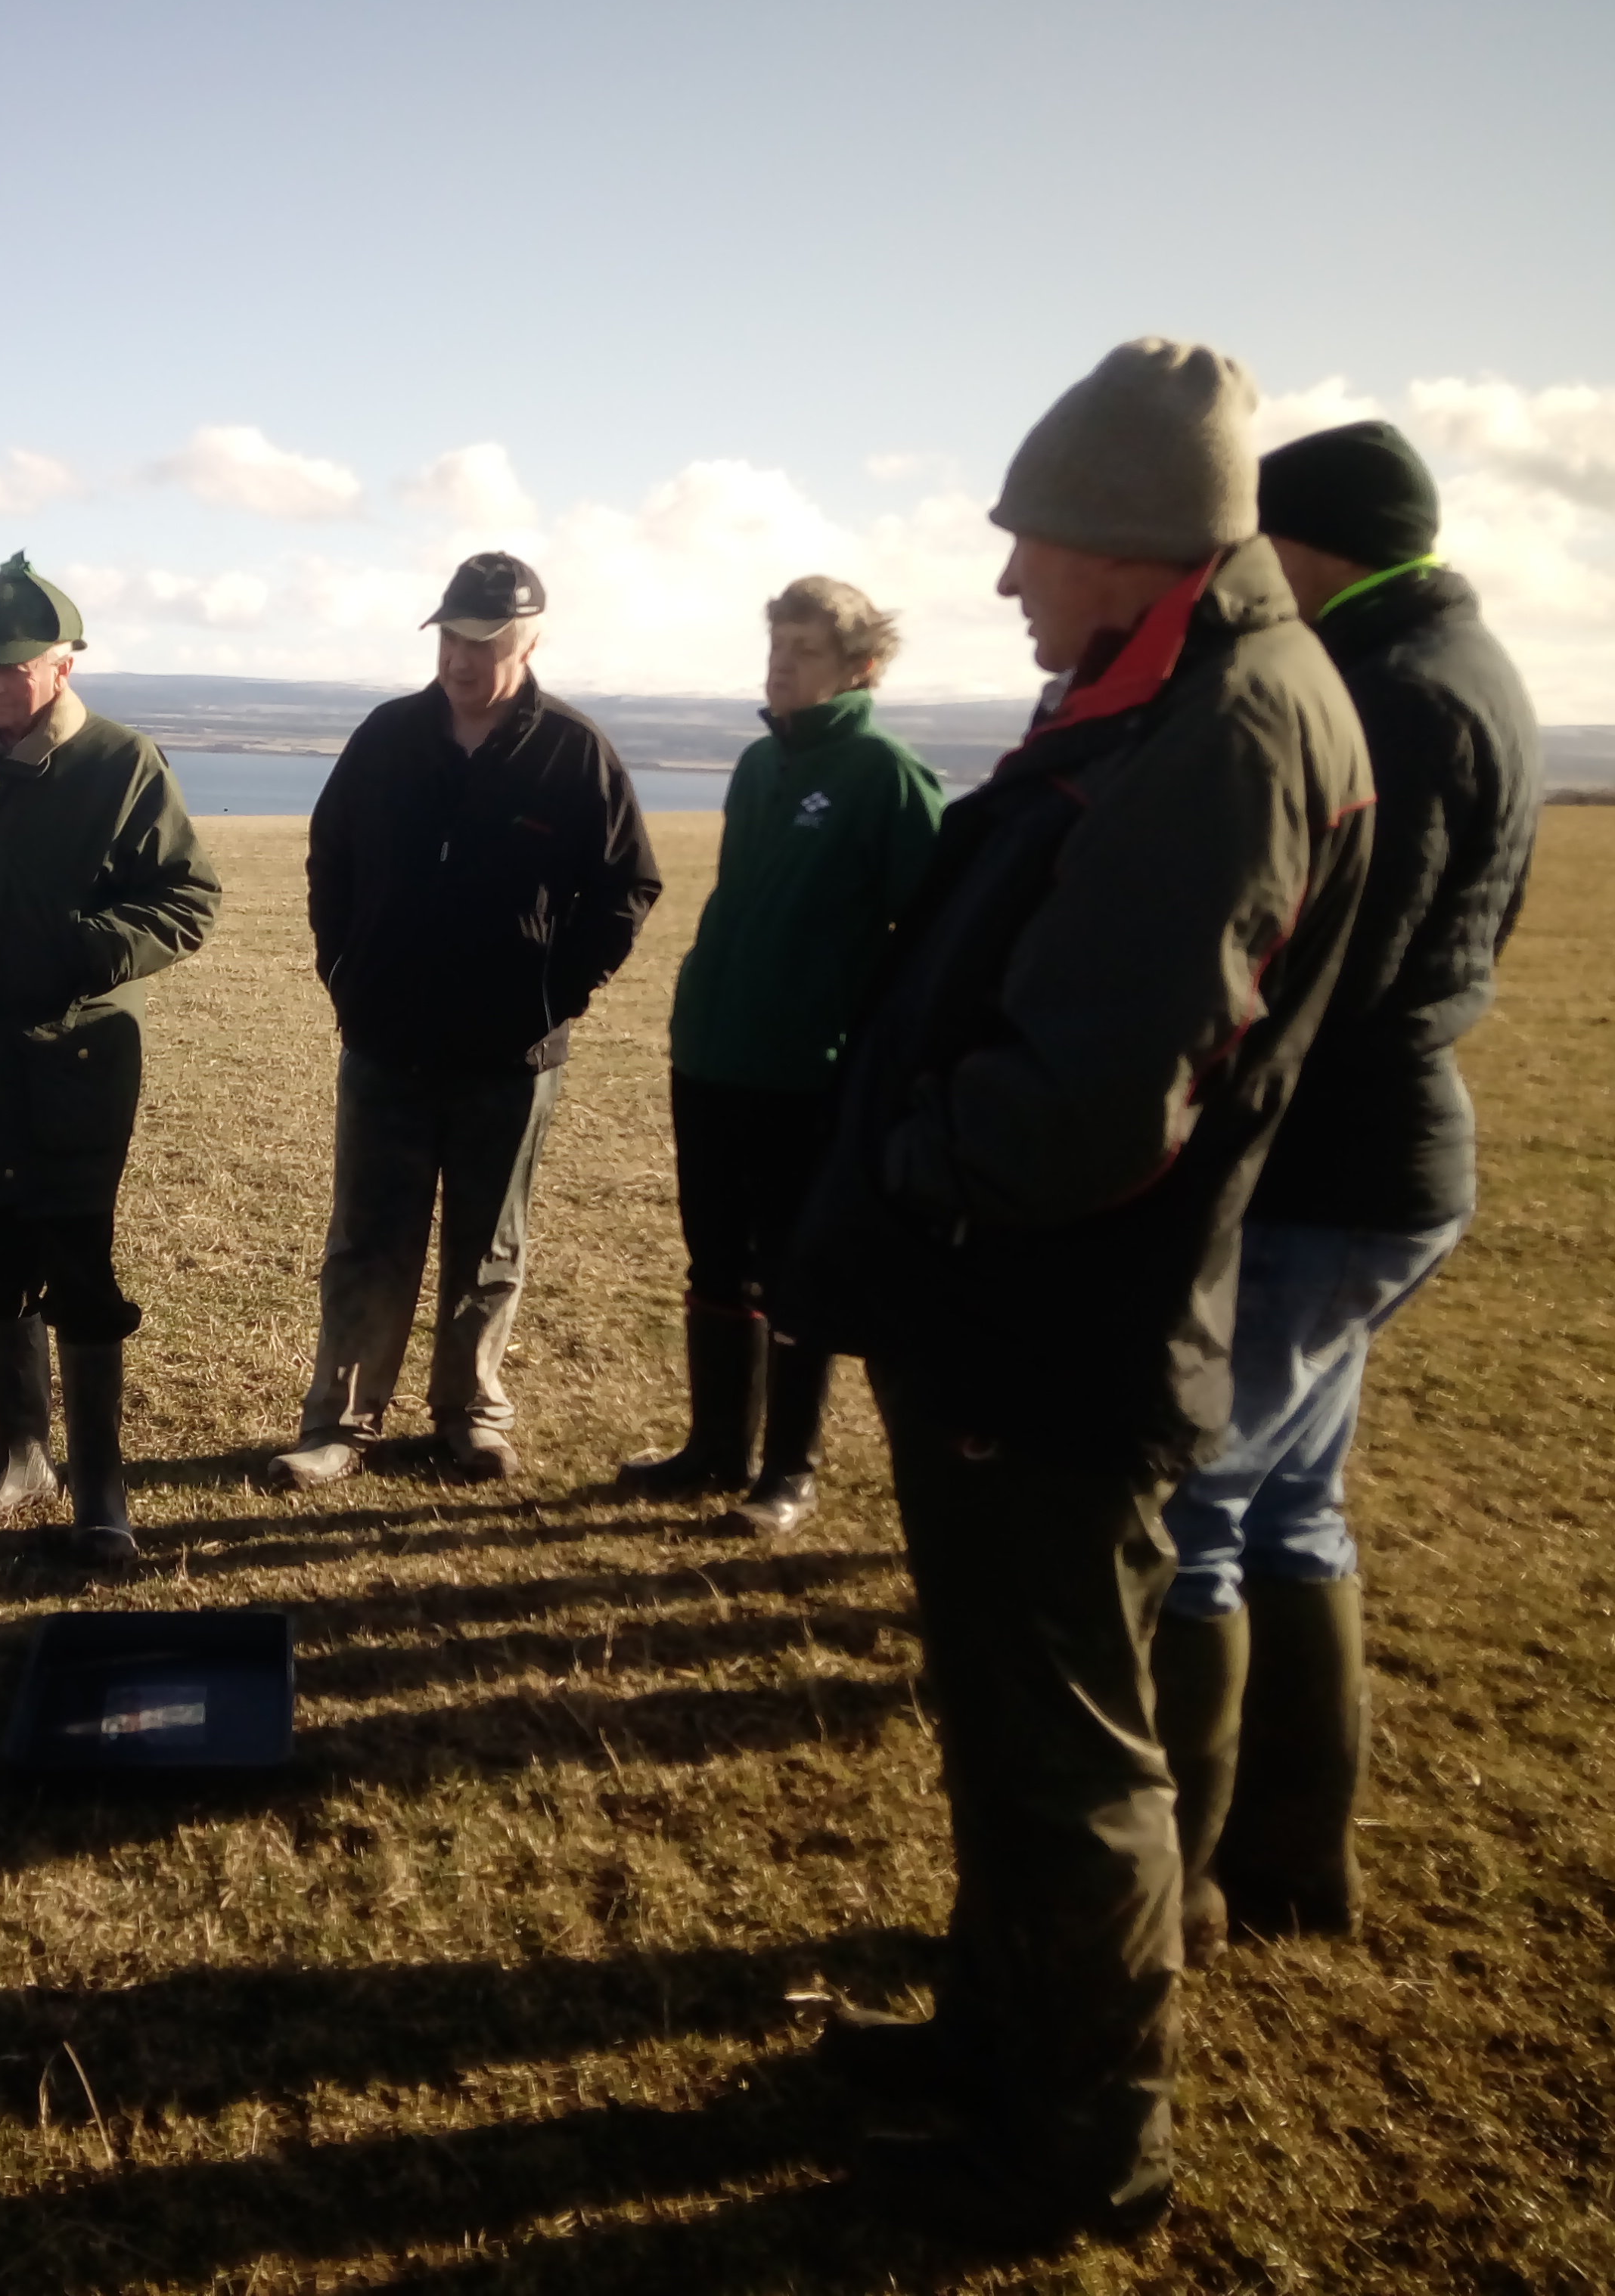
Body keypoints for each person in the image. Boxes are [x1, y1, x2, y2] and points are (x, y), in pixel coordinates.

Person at [789, 339, 1374, 2246]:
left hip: (1056, 1321)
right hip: (1022, 1312)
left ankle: (1075, 2142)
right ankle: (993, 2045)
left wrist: (913, 1153)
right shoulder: (1166, 693)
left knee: (1067, 1751)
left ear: (1135, 544)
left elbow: (1096, 1097)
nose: (1005, 579)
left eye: (1029, 538)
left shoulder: (1224, 732)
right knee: (1013, 1727)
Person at [1150, 422, 1540, 1966]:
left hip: (1327, 1170)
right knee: (1294, 1507)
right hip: (1391, 1162)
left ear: (1312, 546)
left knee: (1197, 1508)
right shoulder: (1471, 666)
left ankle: (1167, 1890)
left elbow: (1335, 972)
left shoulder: (1387, 692)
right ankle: (1296, 1861)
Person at [268, 552, 660, 1491]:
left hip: (510, 1057)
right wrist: (346, 976)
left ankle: (469, 1416)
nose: (462, 658)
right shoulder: (388, 737)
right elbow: (331, 860)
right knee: (367, 1239)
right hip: (384, 1042)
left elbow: (624, 889)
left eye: (483, 641)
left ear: (528, 640)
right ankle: (338, 1425)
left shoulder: (573, 750)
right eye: (449, 637)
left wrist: (551, 998)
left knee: (489, 1244)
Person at [0, 553, 221, 1564]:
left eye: (12, 669)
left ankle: (101, 1494)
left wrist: (88, 950)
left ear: (63, 667)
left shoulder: (122, 765)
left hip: (71, 1070)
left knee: (77, 1269)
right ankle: (18, 1459)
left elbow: (188, 900)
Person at [620, 577, 942, 1534]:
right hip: (713, 1050)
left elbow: (928, 932)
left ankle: (787, 1472)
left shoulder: (884, 772)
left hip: (810, 1068)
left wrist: (867, 1042)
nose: (781, 665)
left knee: (796, 1266)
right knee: (715, 1257)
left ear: (860, 665)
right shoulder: (759, 762)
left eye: (804, 650)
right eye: (776, 647)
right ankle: (713, 1448)